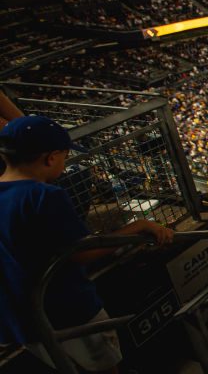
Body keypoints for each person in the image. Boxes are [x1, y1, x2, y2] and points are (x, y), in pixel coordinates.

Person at [0, 116, 174, 373]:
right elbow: (82, 252)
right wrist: (139, 226)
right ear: (50, 158)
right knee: (106, 367)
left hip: (16, 314)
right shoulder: (43, 195)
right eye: (64, 156)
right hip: (66, 307)